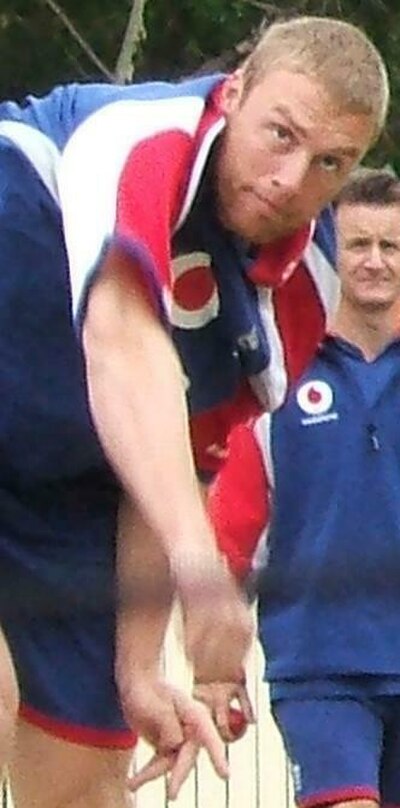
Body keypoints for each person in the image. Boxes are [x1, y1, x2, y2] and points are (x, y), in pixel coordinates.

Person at [0, 14, 389, 808]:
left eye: (329, 163)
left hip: (65, 494)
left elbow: (180, 451)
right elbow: (123, 346)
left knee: (84, 789)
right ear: (233, 95)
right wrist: (202, 571)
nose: (290, 179)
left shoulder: (306, 284)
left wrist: (142, 664)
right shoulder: (138, 136)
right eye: (278, 135)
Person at [207, 168, 400, 808]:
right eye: (358, 244)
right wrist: (216, 664)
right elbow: (230, 537)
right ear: (329, 251)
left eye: (391, 246)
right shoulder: (275, 375)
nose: (374, 262)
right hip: (320, 666)